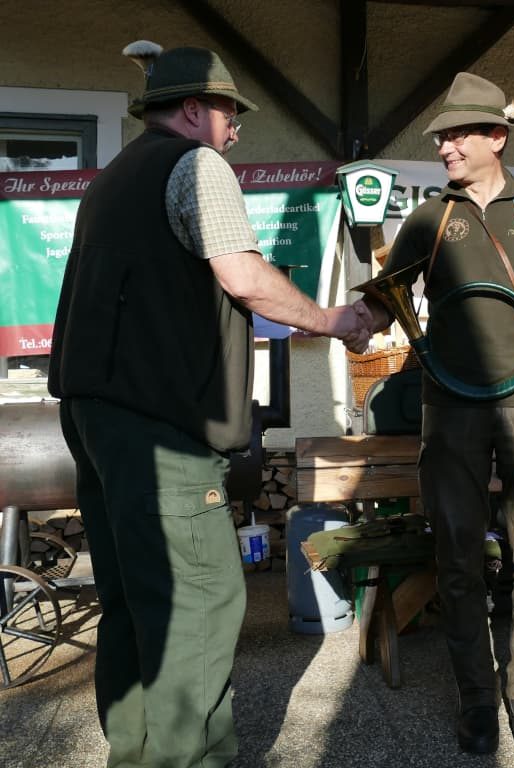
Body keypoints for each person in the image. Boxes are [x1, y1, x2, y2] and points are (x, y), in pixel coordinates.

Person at [48, 41, 366, 768]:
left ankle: (135, 754)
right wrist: (336, 320)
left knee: (134, 599)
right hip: (159, 431)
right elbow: (244, 276)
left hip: (95, 418)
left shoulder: (111, 179)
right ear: (192, 109)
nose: (235, 130)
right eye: (228, 113)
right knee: (200, 604)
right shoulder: (196, 165)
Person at [347, 72, 514, 753]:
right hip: (451, 408)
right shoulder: (429, 217)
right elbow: (385, 299)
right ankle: (474, 699)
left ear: (496, 137)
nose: (445, 146)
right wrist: (345, 319)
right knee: (458, 558)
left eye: (458, 134)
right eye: (441, 136)